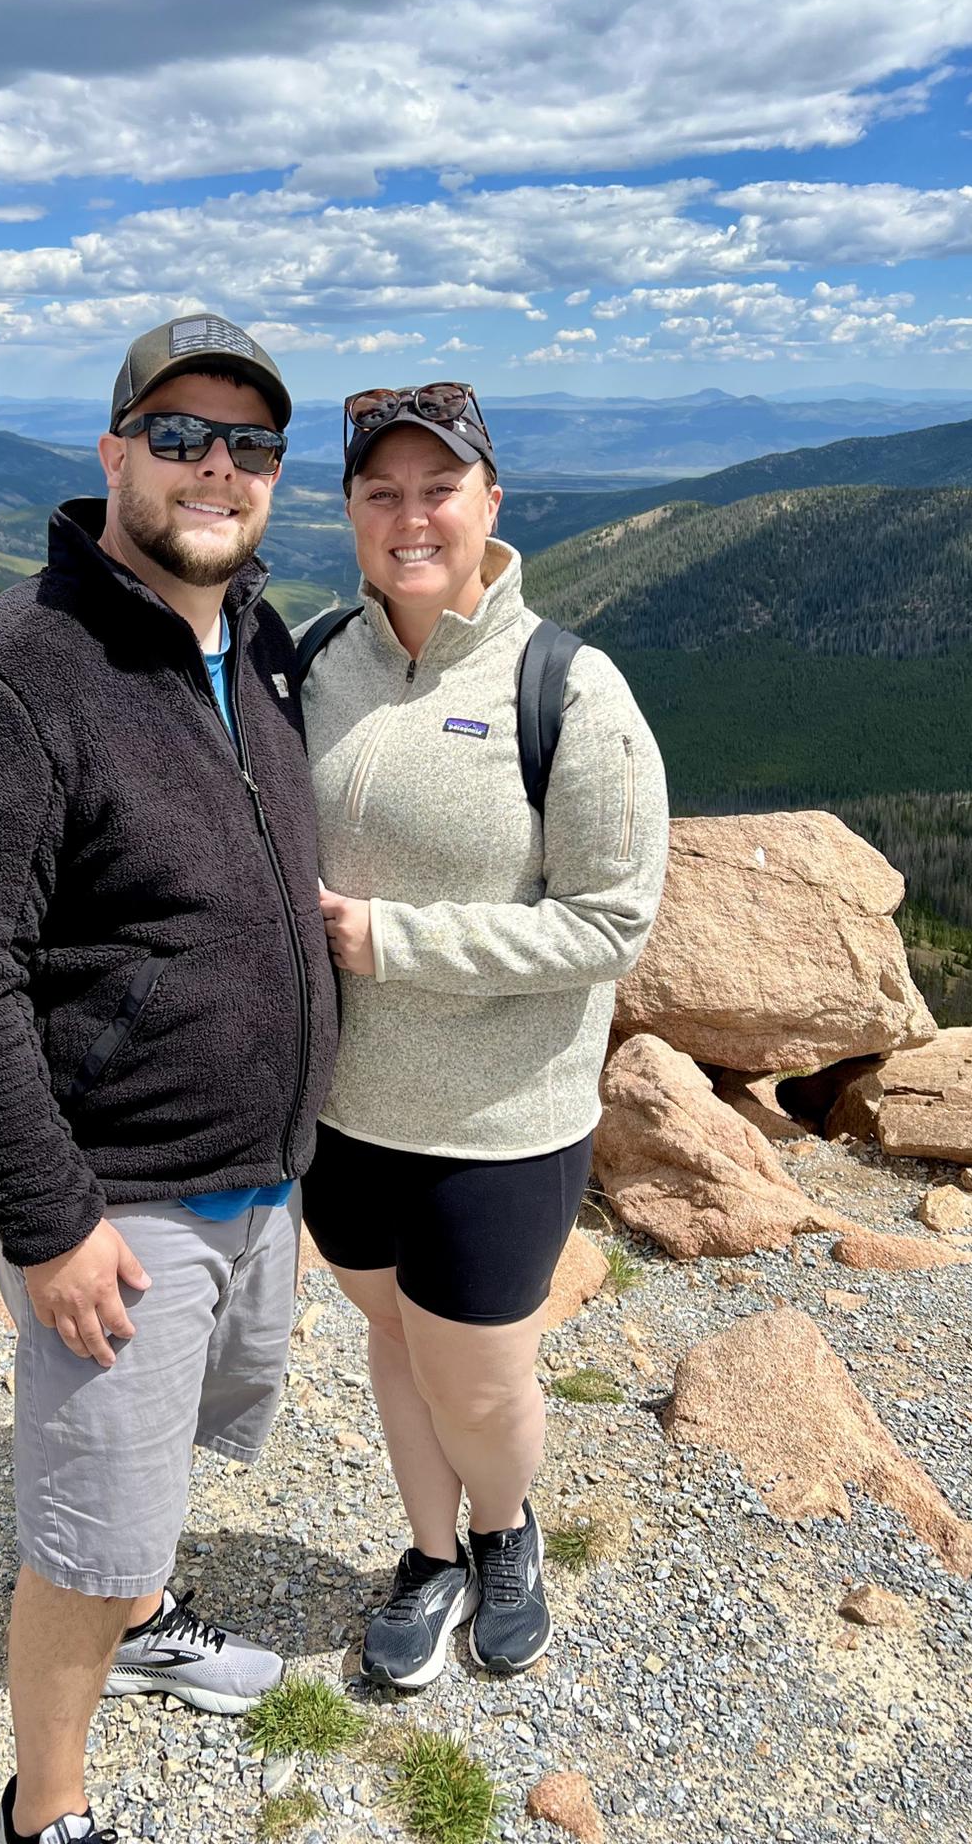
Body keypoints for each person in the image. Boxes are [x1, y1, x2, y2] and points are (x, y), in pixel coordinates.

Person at [0, 313, 339, 1844]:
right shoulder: (9, 678)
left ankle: (143, 1618)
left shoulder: (258, 643)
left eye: (251, 442)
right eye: (180, 434)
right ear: (113, 452)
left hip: (255, 1174)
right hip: (118, 1202)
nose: (218, 465)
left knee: (149, 1473)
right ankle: (49, 1807)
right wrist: (49, 1220)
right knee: (84, 1537)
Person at [297, 381, 668, 1690]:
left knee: (482, 1382)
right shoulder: (319, 661)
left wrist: (390, 941)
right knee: (398, 1343)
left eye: (439, 489)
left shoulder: (570, 689)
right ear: (350, 511)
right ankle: (428, 1551)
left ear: (491, 503)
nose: (412, 517)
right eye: (381, 492)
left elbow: (611, 926)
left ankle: (506, 1532)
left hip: (499, 1121)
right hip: (344, 1109)